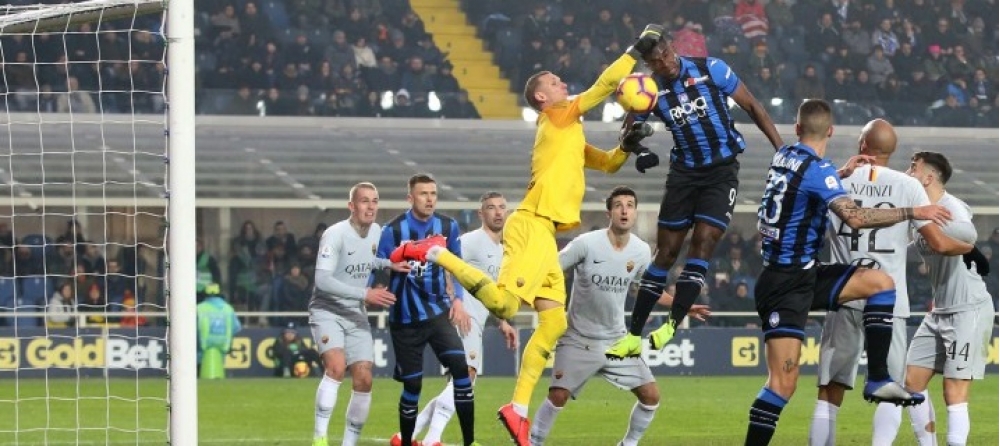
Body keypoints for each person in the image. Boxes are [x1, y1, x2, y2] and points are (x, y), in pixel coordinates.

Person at [388, 24, 667, 446]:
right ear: (541, 97)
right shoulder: (556, 115)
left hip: (546, 232)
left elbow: (608, 164)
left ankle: (517, 409)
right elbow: (604, 85)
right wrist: (634, 51)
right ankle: (436, 252)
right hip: (532, 223)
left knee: (554, 322)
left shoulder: (569, 132)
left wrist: (627, 145)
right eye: (554, 82)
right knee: (505, 304)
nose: (562, 84)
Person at [743, 100, 951, 445]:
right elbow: (855, 218)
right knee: (781, 386)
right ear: (830, 131)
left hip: (804, 272)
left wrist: (838, 173)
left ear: (797, 129)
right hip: (785, 284)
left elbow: (803, 183)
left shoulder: (785, 155)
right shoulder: (820, 171)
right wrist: (913, 211)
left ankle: (878, 378)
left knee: (880, 284)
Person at [609, 30, 786, 360]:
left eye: (666, 53)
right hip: (684, 175)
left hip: (721, 172)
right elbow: (626, 134)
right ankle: (632, 336)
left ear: (672, 47)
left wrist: (783, 151)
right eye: (656, 61)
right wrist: (639, 148)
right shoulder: (648, 90)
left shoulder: (711, 69)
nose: (664, 62)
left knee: (703, 243)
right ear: (648, 65)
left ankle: (670, 326)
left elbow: (753, 106)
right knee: (665, 254)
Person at [809, 120, 974, 446]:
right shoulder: (908, 186)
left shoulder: (835, 179)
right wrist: (971, 248)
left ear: (862, 145)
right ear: (892, 149)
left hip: (844, 294)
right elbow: (938, 243)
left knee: (829, 392)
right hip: (889, 303)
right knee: (890, 388)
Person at [528, 186, 710, 446]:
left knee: (651, 396)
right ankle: (532, 443)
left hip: (616, 340)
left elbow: (650, 288)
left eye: (630, 205)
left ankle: (628, 444)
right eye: (618, 206)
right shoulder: (585, 244)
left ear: (635, 213)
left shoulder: (641, 251)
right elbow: (550, 270)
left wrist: (682, 306)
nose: (624, 210)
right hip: (579, 338)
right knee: (558, 396)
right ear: (609, 213)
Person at [409, 192, 518, 446]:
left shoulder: (503, 250)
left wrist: (502, 321)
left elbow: (489, 291)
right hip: (461, 318)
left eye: (502, 207)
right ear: (481, 213)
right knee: (465, 377)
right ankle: (432, 440)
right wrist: (454, 300)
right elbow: (442, 263)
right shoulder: (471, 241)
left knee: (460, 382)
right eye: (491, 208)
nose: (498, 212)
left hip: (476, 320)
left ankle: (407, 435)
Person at [379, 174, 479, 446]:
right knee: (413, 386)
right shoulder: (392, 231)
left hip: (438, 313)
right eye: (423, 194)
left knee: (461, 371)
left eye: (433, 193)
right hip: (405, 320)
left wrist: (458, 299)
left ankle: (470, 442)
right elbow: (376, 264)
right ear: (410, 198)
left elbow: (457, 266)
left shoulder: (448, 227)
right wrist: (381, 276)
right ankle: (406, 441)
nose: (429, 199)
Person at [903, 151, 994, 446]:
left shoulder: (950, 207)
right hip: (939, 310)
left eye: (913, 168)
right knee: (912, 382)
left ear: (928, 177)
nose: (907, 172)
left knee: (953, 389)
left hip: (968, 309)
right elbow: (914, 248)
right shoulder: (920, 212)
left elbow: (968, 234)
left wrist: (963, 246)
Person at [309, 182, 407, 446]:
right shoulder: (335, 234)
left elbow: (366, 259)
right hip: (327, 309)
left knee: (364, 378)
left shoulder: (376, 231)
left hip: (355, 311)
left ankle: (349, 443)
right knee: (336, 367)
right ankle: (319, 438)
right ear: (351, 206)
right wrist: (365, 294)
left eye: (375, 201)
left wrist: (389, 264)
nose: (371, 206)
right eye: (365, 201)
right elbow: (322, 280)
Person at [196, 283, 241, 378]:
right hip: (223, 344)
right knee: (218, 366)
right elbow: (236, 327)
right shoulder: (228, 308)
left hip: (202, 345)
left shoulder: (199, 308)